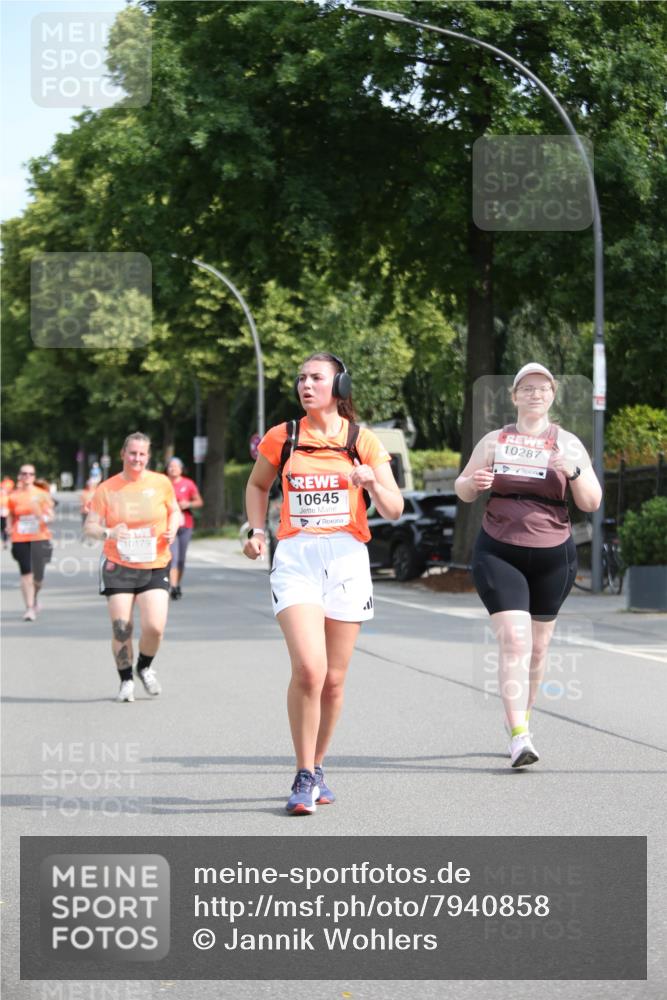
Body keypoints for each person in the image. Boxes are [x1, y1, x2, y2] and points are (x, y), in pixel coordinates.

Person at [243, 352, 404, 814]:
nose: (305, 384)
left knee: (333, 681)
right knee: (309, 670)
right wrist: (255, 531)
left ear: (340, 385)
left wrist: (372, 482)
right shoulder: (283, 436)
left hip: (348, 560)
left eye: (316, 377)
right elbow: (257, 486)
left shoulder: (362, 440)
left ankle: (318, 765)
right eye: (301, 378)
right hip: (296, 558)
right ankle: (302, 774)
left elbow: (393, 509)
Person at [455, 363, 602, 768]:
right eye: (527, 388)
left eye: (543, 388)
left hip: (554, 553)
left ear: (553, 396)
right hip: (499, 549)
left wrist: (571, 471)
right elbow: (463, 488)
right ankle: (519, 735)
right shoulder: (495, 440)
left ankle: (523, 720)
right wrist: (476, 483)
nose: (535, 394)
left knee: (538, 650)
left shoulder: (568, 443)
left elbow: (591, 502)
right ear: (514, 396)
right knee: (515, 642)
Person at [84, 432, 181, 703]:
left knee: (154, 627)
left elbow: (175, 511)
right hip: (119, 564)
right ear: (122, 454)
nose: (137, 458)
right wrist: (110, 532)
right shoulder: (107, 488)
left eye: (142, 454)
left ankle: (144, 666)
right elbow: (89, 527)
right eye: (132, 453)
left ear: (148, 457)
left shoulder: (161, 483)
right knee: (122, 628)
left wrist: (173, 528)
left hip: (155, 563)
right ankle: (126, 680)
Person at [7, 464, 54, 621]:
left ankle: (34, 597)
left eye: (30, 474)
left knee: (38, 578)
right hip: (20, 538)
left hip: (40, 537)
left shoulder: (42, 494)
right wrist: (8, 528)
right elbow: (11, 515)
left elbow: (51, 515)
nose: (27, 476)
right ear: (19, 476)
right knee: (26, 574)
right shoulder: (13, 496)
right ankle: (29, 608)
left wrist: (44, 518)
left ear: (34, 477)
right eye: (24, 473)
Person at [166, 457, 203, 599]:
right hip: (169, 525)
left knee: (181, 559)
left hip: (185, 525)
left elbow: (199, 501)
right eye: (170, 466)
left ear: (181, 469)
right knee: (173, 557)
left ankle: (177, 583)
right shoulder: (164, 484)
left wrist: (188, 504)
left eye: (175, 466)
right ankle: (173, 586)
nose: (173, 469)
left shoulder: (188, 484)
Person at [1, 474, 15, 548]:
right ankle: (4, 541)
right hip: (1, 513)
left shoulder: (9, 497)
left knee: (6, 527)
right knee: (2, 528)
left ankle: (6, 541)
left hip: (7, 513)